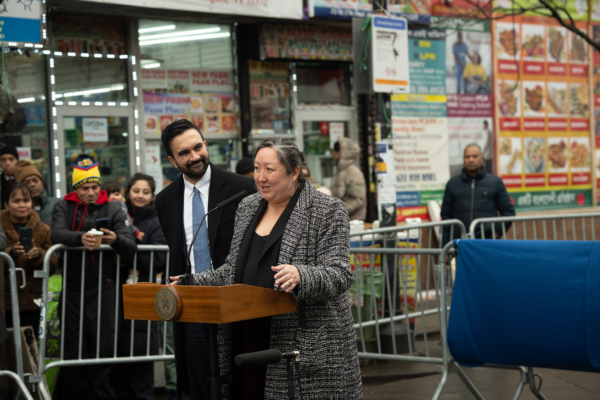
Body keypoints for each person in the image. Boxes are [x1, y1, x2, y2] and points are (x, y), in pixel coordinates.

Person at [170, 138, 363, 399]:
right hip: (248, 332)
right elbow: (232, 270)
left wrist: (301, 275)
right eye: (256, 168)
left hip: (302, 342)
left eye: (269, 169)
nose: (260, 177)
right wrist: (191, 282)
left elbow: (339, 274)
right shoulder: (248, 206)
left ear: (294, 172)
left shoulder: (327, 210)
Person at [155, 119, 255, 400]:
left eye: (198, 147)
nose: (195, 156)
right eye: (184, 153)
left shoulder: (242, 188)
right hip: (191, 305)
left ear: (205, 144)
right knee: (200, 381)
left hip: (235, 301)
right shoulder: (165, 200)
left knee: (239, 383)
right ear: (172, 160)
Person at [51, 154, 137, 400]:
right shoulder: (63, 206)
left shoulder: (113, 207)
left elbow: (130, 245)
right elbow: (56, 234)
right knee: (73, 349)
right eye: (84, 188)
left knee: (103, 348)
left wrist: (115, 239)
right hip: (73, 286)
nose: (90, 192)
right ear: (75, 188)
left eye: (94, 187)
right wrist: (80, 238)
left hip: (104, 287)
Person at [111, 173, 167, 400]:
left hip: (143, 294)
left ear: (152, 195)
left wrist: (126, 252)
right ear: (128, 193)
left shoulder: (156, 221)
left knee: (140, 352)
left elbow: (158, 259)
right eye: (136, 191)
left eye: (146, 192)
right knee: (118, 358)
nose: (140, 196)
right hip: (116, 292)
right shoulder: (118, 216)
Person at [2, 183, 57, 334]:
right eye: (16, 201)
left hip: (32, 300)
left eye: (26, 200)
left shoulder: (43, 228)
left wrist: (38, 255)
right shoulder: (1, 227)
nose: (22, 205)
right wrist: (10, 253)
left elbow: (53, 265)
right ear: (6, 204)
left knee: (29, 344)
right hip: (3, 300)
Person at [441, 144, 515, 245]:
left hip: (487, 242)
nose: (471, 160)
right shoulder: (452, 184)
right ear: (463, 159)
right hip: (460, 243)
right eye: (467, 156)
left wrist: (496, 232)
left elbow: (508, 211)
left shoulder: (495, 182)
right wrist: (446, 245)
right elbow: (446, 216)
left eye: (475, 156)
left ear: (482, 158)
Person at [102, 180, 142, 284]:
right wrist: (136, 232)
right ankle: (133, 276)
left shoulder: (116, 206)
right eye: (116, 194)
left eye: (123, 195)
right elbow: (126, 222)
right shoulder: (117, 205)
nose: (120, 197)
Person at [330, 138, 367, 221]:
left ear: (344, 153)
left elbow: (358, 200)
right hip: (339, 221)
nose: (333, 152)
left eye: (336, 150)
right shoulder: (339, 171)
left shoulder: (354, 173)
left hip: (353, 222)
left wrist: (337, 210)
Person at [14, 159, 59, 226]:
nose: (32, 185)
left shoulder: (58, 205)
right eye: (26, 182)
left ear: (42, 182)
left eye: (35, 180)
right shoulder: (17, 211)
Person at [1, 145, 19, 210]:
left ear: (17, 161)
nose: (7, 163)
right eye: (3, 160)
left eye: (11, 159)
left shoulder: (22, 179)